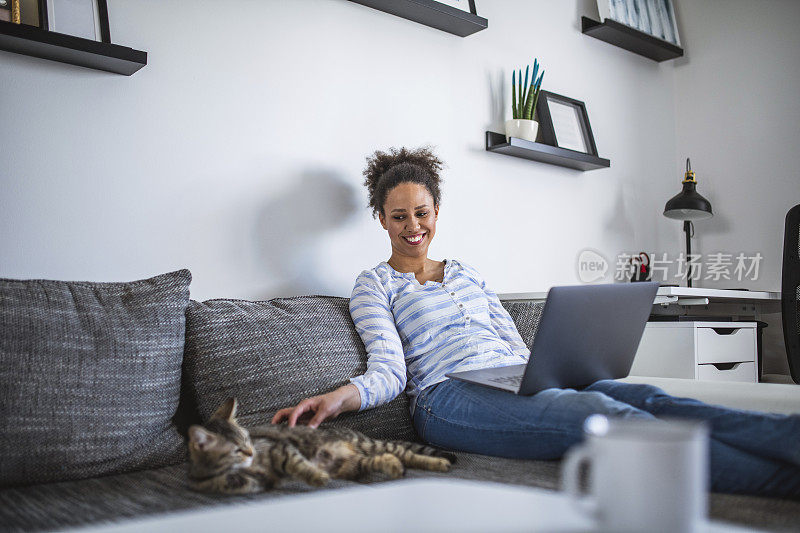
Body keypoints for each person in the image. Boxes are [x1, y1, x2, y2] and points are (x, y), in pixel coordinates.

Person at [273, 146, 800, 498]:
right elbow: (390, 371)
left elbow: (513, 343)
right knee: (603, 414)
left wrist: (550, 372)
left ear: (438, 210)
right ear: (380, 219)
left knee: (649, 397)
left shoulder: (467, 273)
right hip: (446, 397)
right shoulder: (376, 284)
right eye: (399, 216)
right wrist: (340, 397)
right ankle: (783, 483)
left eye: (423, 212)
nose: (414, 226)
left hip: (515, 378)